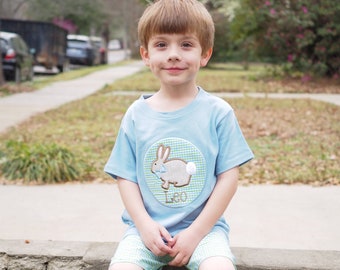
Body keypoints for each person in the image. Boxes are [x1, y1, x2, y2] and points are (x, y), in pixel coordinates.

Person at [104, 0, 254, 269]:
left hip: (205, 232)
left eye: (186, 44)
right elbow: (125, 177)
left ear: (205, 54)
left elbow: (229, 178)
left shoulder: (218, 112)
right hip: (145, 234)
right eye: (161, 45)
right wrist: (145, 225)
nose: (173, 54)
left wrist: (196, 233)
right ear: (146, 54)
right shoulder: (136, 115)